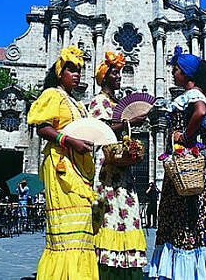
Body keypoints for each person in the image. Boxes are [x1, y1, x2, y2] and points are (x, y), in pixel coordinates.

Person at [149, 46, 206, 280]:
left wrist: (183, 137)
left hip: (185, 165)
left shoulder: (194, 95)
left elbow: (200, 112)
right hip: (184, 165)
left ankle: (182, 270)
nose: (173, 74)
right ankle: (184, 268)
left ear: (185, 73)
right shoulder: (192, 94)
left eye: (176, 70)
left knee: (182, 215)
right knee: (187, 215)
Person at [27, 46, 98, 280]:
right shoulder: (52, 95)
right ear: (60, 72)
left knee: (83, 223)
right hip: (60, 165)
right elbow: (42, 127)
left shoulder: (77, 103)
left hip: (79, 167)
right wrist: (68, 140)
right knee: (67, 228)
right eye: (71, 70)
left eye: (79, 70)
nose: (76, 74)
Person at [89, 51, 147, 280]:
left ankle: (127, 267)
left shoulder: (115, 102)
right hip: (107, 169)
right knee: (110, 215)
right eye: (114, 73)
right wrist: (129, 122)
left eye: (119, 73)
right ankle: (108, 271)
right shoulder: (98, 101)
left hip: (123, 169)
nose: (119, 76)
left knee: (127, 214)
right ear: (104, 77)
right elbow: (100, 130)